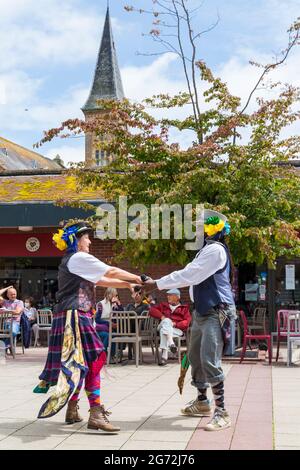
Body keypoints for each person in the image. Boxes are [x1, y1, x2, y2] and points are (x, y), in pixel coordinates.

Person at [35, 221, 142, 434]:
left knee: (81, 362)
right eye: (86, 237)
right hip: (74, 315)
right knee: (95, 358)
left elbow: (102, 280)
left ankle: (73, 408)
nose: (90, 241)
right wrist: (138, 278)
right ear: (76, 240)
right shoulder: (78, 258)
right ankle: (95, 413)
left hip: (74, 314)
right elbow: (110, 271)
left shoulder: (74, 262)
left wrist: (129, 284)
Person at [144, 209, 236, 431]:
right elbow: (191, 273)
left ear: (211, 229)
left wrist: (157, 283)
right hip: (203, 311)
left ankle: (222, 412)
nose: (197, 230)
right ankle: (202, 402)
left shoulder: (214, 250)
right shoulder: (206, 250)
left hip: (216, 311)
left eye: (201, 226)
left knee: (208, 359)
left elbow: (190, 274)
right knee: (195, 356)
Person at [149, 288, 191, 366]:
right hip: (163, 324)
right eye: (168, 295)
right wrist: (161, 316)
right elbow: (151, 310)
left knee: (163, 331)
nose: (168, 297)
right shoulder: (164, 305)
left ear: (177, 297)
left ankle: (164, 356)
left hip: (176, 330)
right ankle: (171, 343)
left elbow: (187, 322)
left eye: (170, 295)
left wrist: (175, 324)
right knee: (167, 320)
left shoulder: (184, 308)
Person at [95, 288, 123, 356]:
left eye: (116, 295)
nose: (116, 297)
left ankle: (111, 356)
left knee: (114, 335)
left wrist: (119, 304)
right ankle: (102, 355)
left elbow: (121, 313)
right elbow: (97, 319)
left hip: (109, 329)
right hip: (100, 329)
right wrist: (109, 323)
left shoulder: (114, 304)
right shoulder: (101, 304)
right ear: (109, 295)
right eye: (114, 295)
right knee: (107, 336)